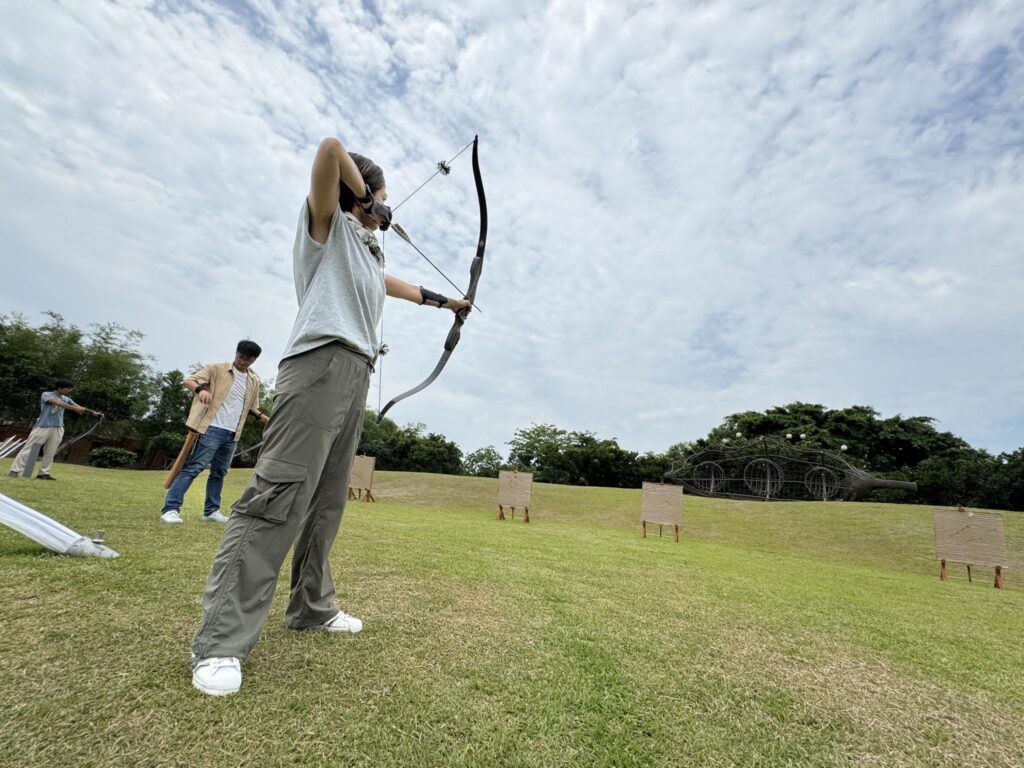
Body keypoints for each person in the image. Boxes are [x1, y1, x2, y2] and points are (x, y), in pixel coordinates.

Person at [189, 136, 472, 695]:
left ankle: (312, 607)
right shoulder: (327, 223)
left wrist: (448, 303)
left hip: (356, 373)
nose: (384, 209)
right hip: (319, 364)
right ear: (360, 196)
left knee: (327, 501)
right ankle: (220, 642)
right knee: (279, 494)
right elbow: (329, 149)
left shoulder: (366, 250)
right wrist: (368, 199)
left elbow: (392, 285)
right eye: (377, 198)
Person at [160, 340, 270, 524]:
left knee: (219, 472)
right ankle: (170, 509)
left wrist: (266, 419)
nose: (243, 361)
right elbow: (189, 380)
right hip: (212, 428)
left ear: (254, 360)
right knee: (194, 467)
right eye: (241, 356)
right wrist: (200, 390)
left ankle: (211, 511)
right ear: (236, 353)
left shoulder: (253, 381)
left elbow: (252, 407)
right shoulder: (216, 369)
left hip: (233, 433)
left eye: (248, 359)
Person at [7, 380, 102, 480]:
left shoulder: (66, 398)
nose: (69, 390)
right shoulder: (46, 394)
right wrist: (74, 408)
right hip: (43, 426)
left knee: (51, 451)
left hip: (58, 427)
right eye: (67, 388)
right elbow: (58, 403)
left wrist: (93, 413)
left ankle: (43, 473)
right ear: (60, 388)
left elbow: (78, 407)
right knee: (32, 449)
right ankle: (16, 470)